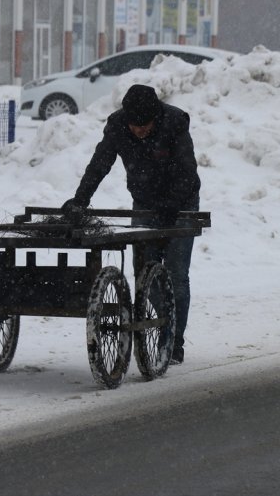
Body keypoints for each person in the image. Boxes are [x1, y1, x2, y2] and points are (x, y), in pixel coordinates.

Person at [63, 84, 201, 364]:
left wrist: (172, 204)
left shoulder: (174, 122)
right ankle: (166, 321)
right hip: (145, 202)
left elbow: (187, 171)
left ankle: (174, 342)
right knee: (144, 272)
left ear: (155, 118)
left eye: (144, 126)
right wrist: (80, 200)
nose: (139, 131)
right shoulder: (117, 125)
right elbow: (100, 163)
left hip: (182, 205)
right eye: (134, 126)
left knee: (177, 274)